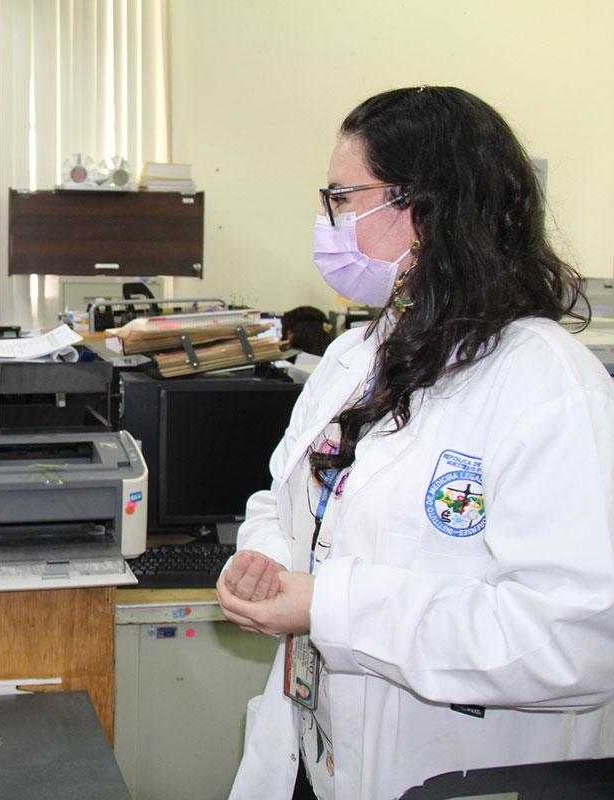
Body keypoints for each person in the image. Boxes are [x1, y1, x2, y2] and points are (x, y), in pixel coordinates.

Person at [217, 86, 614, 800]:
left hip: (451, 771)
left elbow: (578, 640)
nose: (327, 221)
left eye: (344, 197)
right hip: (310, 753)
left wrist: (331, 606)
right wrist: (264, 564)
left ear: (428, 209)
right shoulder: (355, 356)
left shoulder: (548, 383)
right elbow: (282, 498)